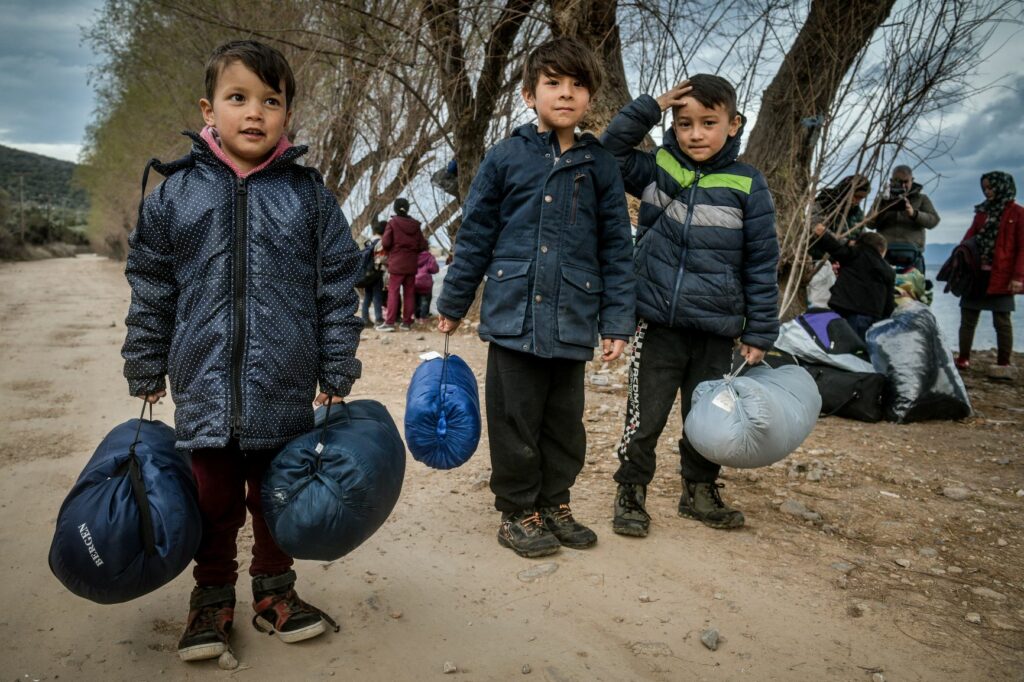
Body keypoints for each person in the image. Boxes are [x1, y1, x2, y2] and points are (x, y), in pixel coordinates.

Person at [121, 40, 362, 663]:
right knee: (214, 502)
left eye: (270, 101)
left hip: (284, 383)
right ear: (210, 109)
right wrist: (146, 361)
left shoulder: (308, 195)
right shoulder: (176, 195)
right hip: (204, 383)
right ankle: (211, 602)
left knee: (278, 497)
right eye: (238, 98)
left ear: (287, 115)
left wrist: (337, 363)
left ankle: (275, 594)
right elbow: (152, 286)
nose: (254, 113)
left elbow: (337, 283)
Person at [436, 37, 635, 558]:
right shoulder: (506, 157)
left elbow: (617, 247)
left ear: (590, 96)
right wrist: (453, 305)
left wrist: (617, 322)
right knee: (515, 418)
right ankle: (517, 510)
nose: (565, 94)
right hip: (513, 315)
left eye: (577, 85)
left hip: (572, 315)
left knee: (564, 421)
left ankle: (555, 502)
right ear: (528, 94)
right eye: (553, 83)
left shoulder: (601, 165)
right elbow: (476, 234)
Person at [601, 74, 779, 537]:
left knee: (707, 419)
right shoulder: (659, 168)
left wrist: (760, 330)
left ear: (734, 124)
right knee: (645, 417)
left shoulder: (748, 185)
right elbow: (609, 151)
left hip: (716, 331)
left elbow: (761, 262)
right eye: (683, 123)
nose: (695, 133)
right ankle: (631, 492)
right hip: (657, 324)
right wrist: (650, 106)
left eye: (708, 122)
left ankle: (699, 491)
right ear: (672, 125)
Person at [955, 171, 1024, 379]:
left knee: (1002, 320)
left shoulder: (1018, 214)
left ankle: (1004, 362)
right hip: (977, 275)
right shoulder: (982, 213)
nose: (988, 191)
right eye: (985, 188)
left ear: (1002, 187)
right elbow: (969, 239)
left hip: (1002, 275)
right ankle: (963, 358)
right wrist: (958, 260)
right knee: (968, 317)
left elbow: (1023, 248)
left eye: (991, 187)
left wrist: (1018, 277)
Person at [812, 224, 895, 341]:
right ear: (882, 251)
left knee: (837, 343)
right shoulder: (889, 270)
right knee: (857, 349)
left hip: (843, 309)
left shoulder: (857, 253)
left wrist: (823, 234)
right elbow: (889, 303)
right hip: (869, 316)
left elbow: (836, 248)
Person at [867, 164, 940, 273]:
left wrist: (914, 214)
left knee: (914, 288)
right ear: (891, 181)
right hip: (884, 254)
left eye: (906, 182)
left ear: (912, 180)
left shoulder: (921, 199)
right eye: (898, 181)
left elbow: (934, 220)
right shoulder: (882, 199)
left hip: (913, 256)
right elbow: (869, 224)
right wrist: (883, 209)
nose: (902, 185)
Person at [380, 197, 428, 331]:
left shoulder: (392, 223)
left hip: (396, 263)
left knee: (393, 292)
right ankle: (407, 322)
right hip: (411, 264)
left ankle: (390, 322)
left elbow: (385, 243)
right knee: (409, 293)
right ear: (407, 208)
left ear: (395, 208)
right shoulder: (416, 225)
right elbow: (423, 244)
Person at [360, 219, 387, 327]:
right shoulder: (380, 243)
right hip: (376, 273)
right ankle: (378, 319)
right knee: (377, 296)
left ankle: (365, 319)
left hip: (367, 274)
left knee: (367, 296)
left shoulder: (369, 241)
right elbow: (381, 259)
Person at [414, 249, 439, 322]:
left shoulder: (412, 255)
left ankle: (416, 316)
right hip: (426, 281)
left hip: (414, 280)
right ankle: (423, 317)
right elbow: (434, 269)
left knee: (415, 299)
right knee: (425, 300)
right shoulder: (429, 257)